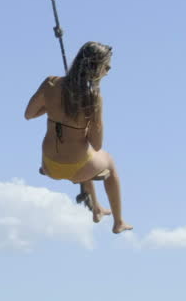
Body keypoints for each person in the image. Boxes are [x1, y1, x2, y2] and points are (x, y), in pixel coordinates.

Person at [25, 41, 132, 233]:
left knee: (85, 155)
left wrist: (53, 105)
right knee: (107, 160)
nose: (109, 70)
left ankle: (97, 208)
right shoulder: (93, 97)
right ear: (96, 68)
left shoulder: (50, 82)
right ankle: (119, 222)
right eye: (106, 67)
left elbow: (29, 114)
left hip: (49, 166)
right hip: (78, 169)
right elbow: (97, 144)